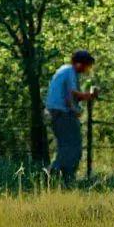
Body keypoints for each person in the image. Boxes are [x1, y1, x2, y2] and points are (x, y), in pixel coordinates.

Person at [45, 50, 98, 186]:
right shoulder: (70, 72)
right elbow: (71, 95)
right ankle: (57, 176)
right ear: (80, 64)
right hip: (62, 112)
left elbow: (74, 95)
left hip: (56, 111)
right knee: (73, 147)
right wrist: (75, 110)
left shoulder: (65, 70)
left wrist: (88, 96)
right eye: (87, 66)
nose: (87, 69)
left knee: (66, 146)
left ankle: (59, 179)